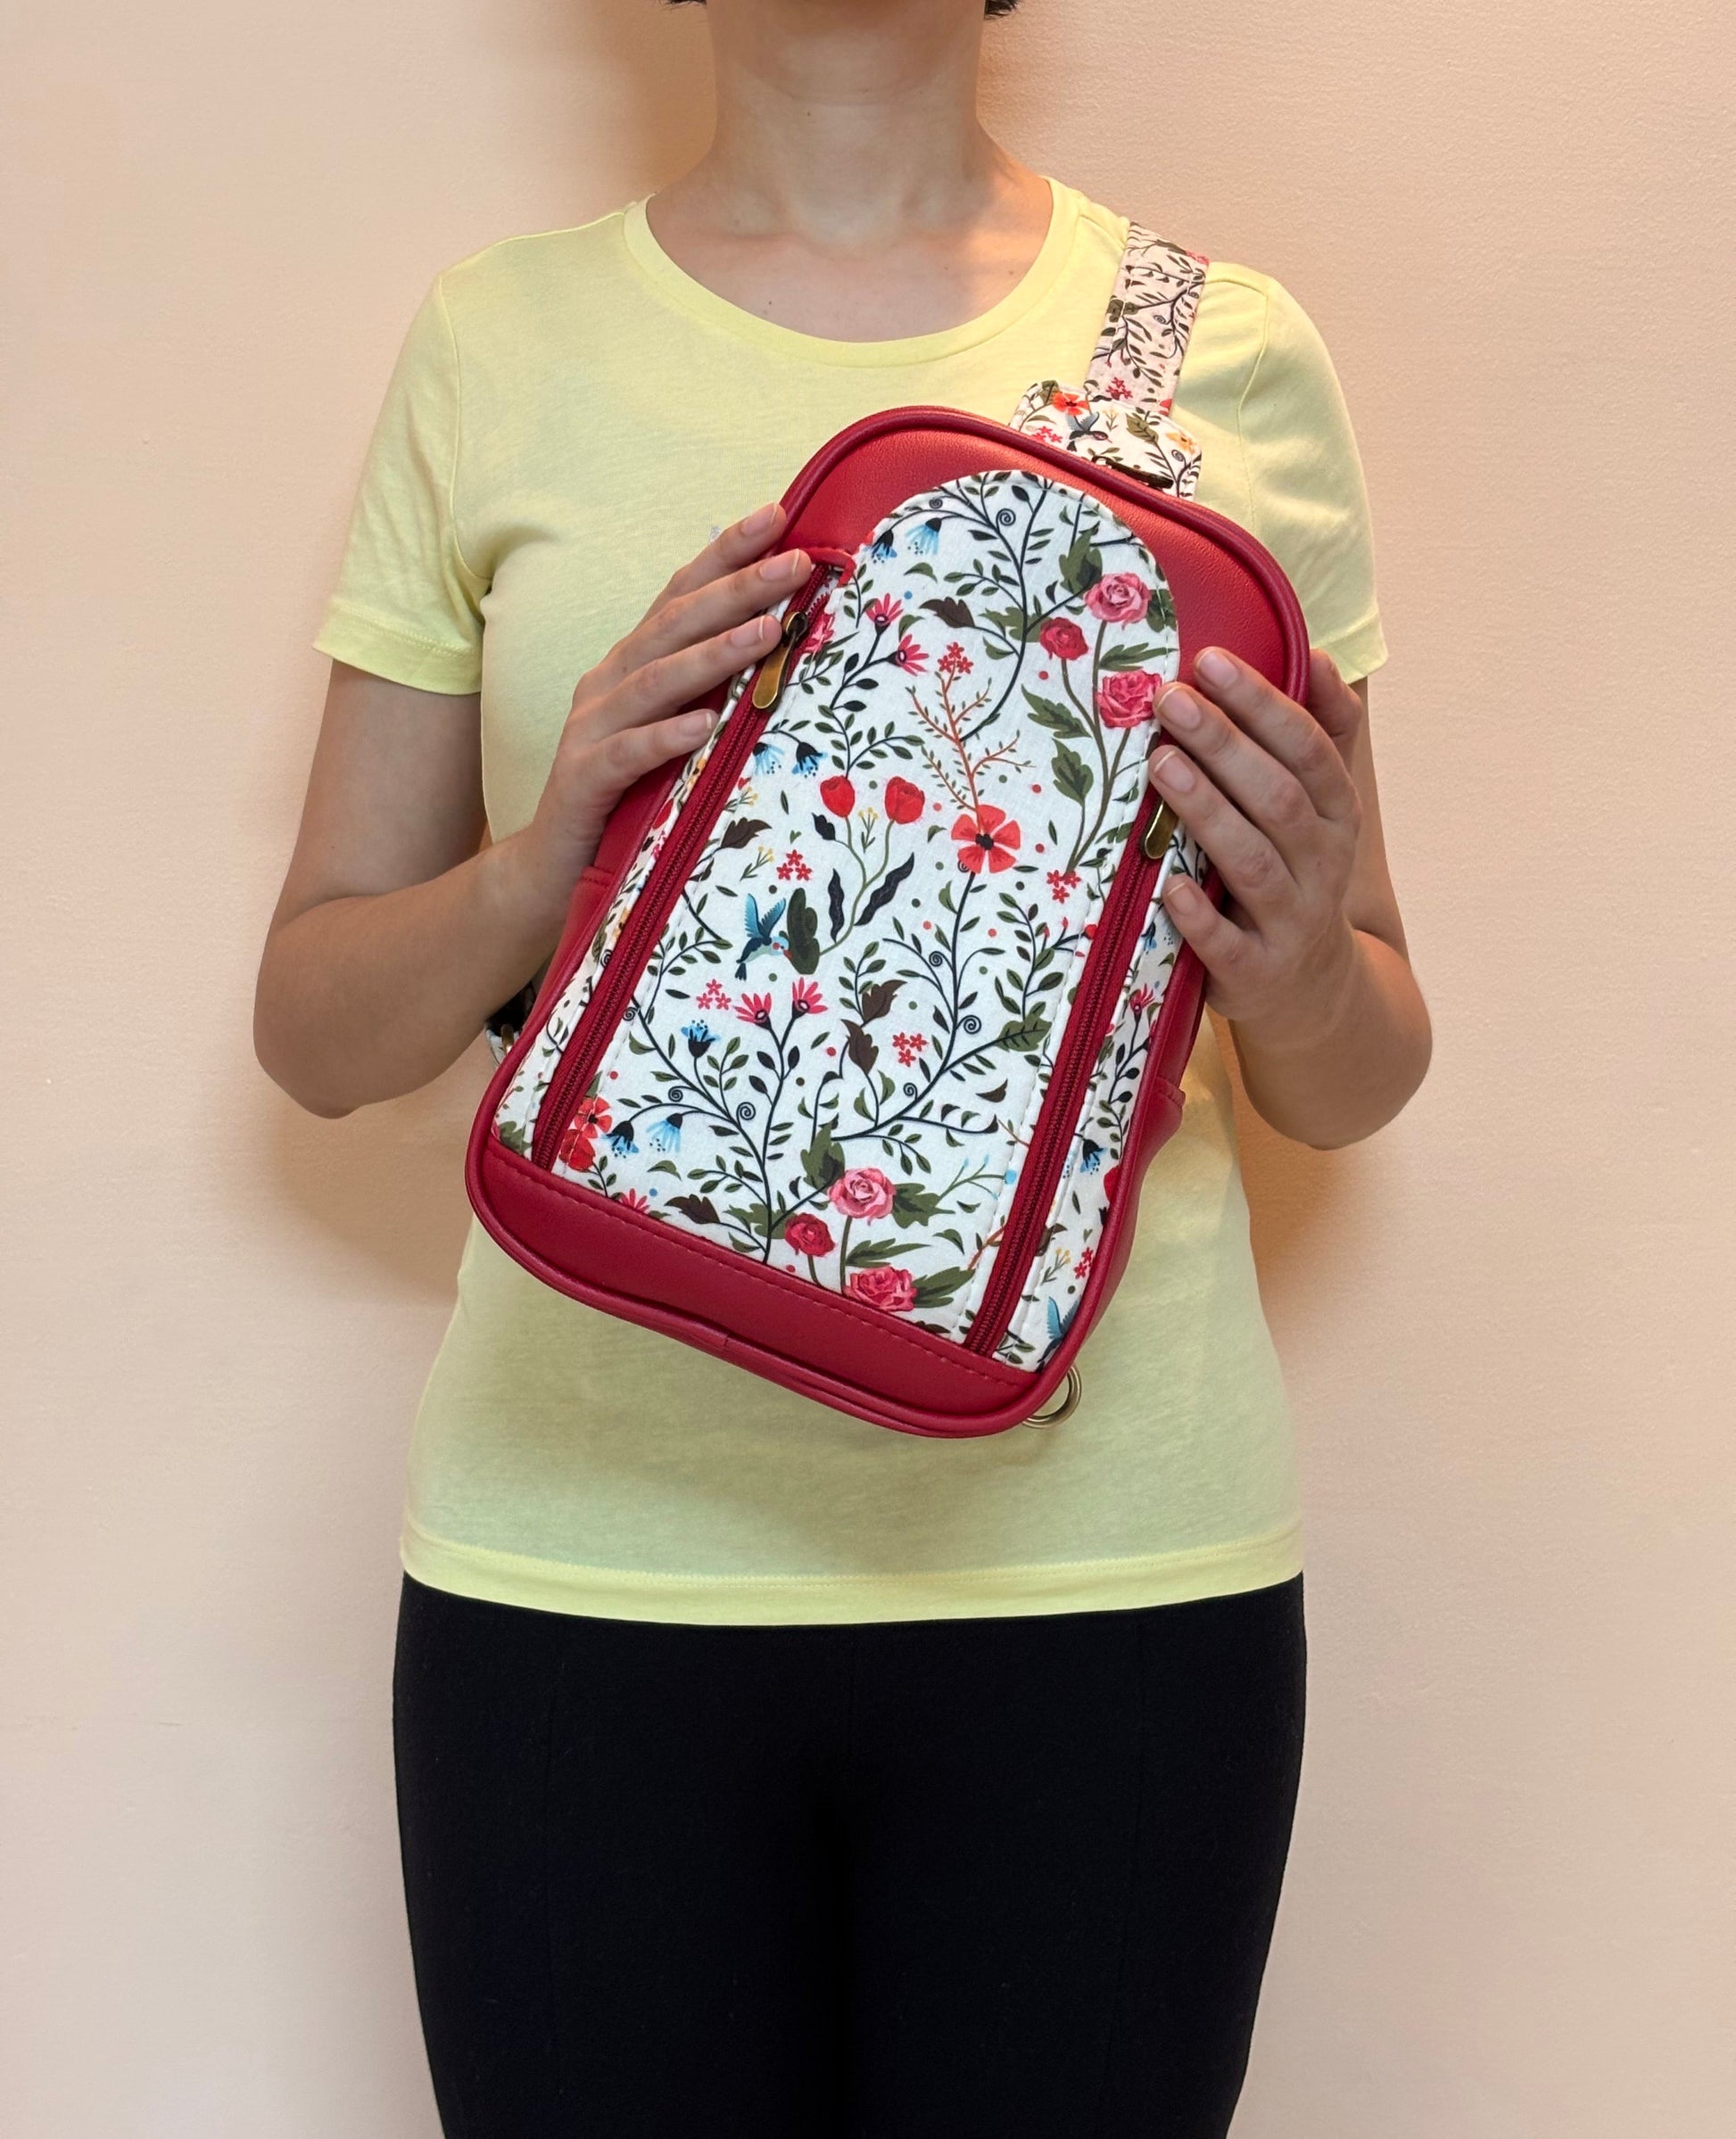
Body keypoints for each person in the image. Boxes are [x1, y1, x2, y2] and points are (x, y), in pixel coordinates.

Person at [255, 1, 1431, 2130]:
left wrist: (1295, 957)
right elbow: (318, 1027)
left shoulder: (1227, 354)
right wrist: (549, 854)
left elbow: (1350, 1068)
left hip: (1109, 1578)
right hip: (576, 1571)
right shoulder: (497, 341)